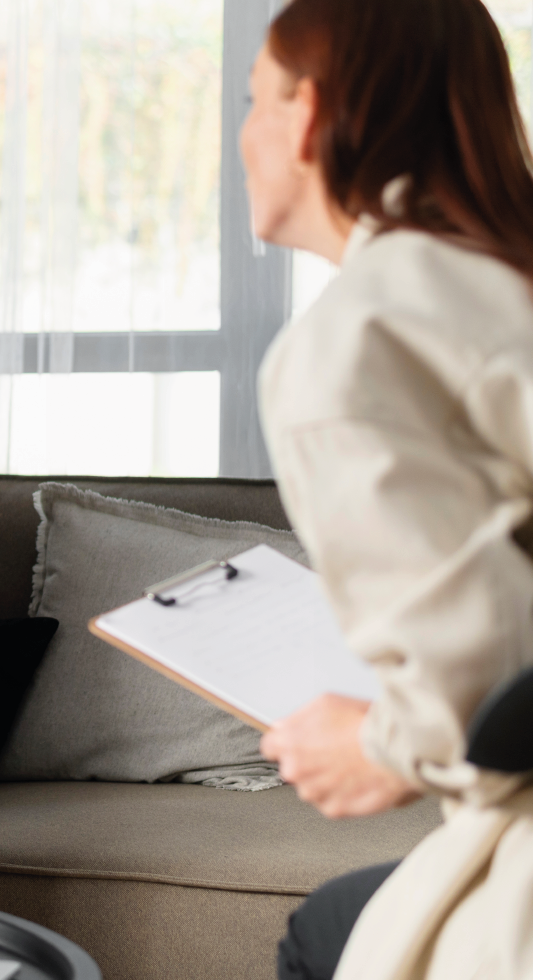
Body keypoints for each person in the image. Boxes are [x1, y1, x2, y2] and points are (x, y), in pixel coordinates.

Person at [237, 0, 533, 977]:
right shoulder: (500, 275)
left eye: (253, 101)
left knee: (328, 933)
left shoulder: (353, 339)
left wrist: (380, 741)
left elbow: (488, 674)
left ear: (309, 114)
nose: (242, 137)